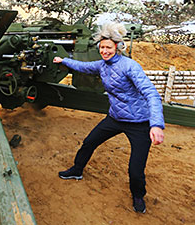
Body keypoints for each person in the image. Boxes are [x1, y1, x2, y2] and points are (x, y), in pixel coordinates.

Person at [52, 22, 164, 214]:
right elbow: (83, 66)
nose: (104, 51)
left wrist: (156, 125)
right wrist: (63, 61)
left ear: (118, 47)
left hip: (139, 122)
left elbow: (152, 94)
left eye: (108, 47)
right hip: (115, 118)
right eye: (102, 47)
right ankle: (77, 170)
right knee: (89, 142)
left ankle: (138, 196)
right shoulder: (102, 65)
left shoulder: (130, 66)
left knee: (135, 170)